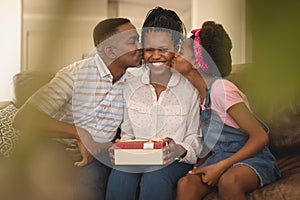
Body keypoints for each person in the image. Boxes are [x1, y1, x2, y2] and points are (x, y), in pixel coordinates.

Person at [13, 18, 142, 200]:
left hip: (102, 150)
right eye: (132, 41)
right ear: (110, 50)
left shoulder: (132, 84)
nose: (140, 46)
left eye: (139, 40)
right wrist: (80, 134)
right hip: (60, 148)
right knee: (90, 178)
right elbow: (24, 118)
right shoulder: (76, 74)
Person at [172, 21, 281, 200]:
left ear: (197, 62)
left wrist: (221, 167)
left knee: (229, 181)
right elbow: (213, 141)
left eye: (181, 52)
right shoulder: (197, 95)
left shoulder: (221, 90)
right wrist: (201, 165)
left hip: (251, 159)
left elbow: (260, 137)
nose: (174, 56)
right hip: (220, 157)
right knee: (186, 184)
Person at [105, 7, 202, 200]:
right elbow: (128, 133)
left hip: (174, 161)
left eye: (164, 50)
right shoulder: (130, 84)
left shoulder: (189, 88)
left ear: (175, 49)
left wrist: (178, 150)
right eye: (149, 49)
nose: (155, 56)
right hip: (137, 158)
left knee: (155, 176)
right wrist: (121, 148)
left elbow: (195, 137)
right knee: (121, 173)